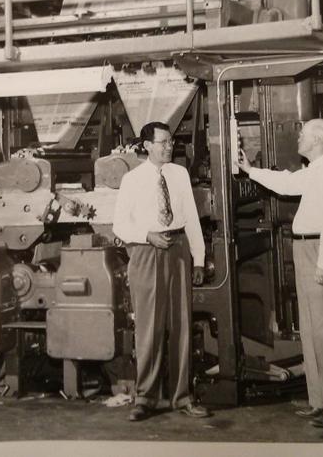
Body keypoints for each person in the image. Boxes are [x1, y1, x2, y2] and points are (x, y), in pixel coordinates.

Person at [238, 118, 323, 428]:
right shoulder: (316, 171)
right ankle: (320, 401)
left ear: (317, 140)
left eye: (302, 136)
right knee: (313, 332)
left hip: (321, 251)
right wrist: (250, 170)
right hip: (306, 250)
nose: (298, 140)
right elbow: (287, 184)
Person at [112, 121, 211, 421]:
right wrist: (147, 236)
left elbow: (192, 219)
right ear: (147, 146)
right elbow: (119, 225)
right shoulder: (131, 180)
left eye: (171, 142)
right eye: (163, 142)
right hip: (146, 251)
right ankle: (145, 398)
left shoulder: (179, 175)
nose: (170, 146)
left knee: (181, 325)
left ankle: (183, 397)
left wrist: (198, 259)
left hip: (178, 248)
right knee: (148, 327)